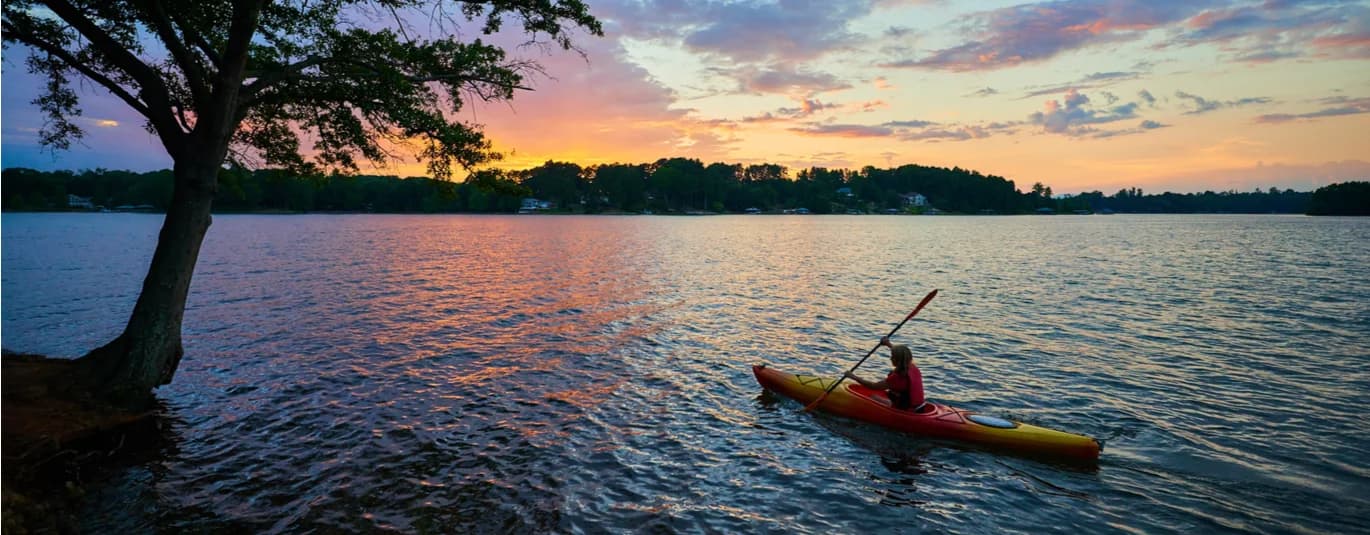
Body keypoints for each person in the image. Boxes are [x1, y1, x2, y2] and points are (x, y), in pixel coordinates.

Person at [844, 336, 926, 412]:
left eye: (892, 356)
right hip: (920, 406)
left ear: (897, 360)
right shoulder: (913, 367)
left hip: (908, 410)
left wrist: (854, 377)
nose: (890, 358)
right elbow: (901, 355)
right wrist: (888, 344)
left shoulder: (897, 378)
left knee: (873, 397)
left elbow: (874, 386)